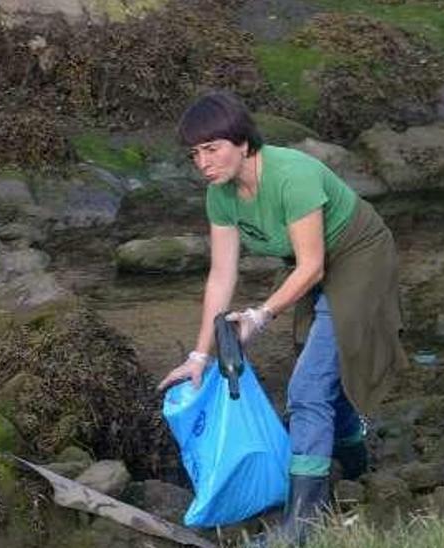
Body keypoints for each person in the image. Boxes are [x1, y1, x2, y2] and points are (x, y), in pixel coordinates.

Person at [156, 91, 409, 543]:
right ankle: (354, 466)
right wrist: (199, 355)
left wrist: (260, 314)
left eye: (212, 149)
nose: (203, 162)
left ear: (244, 142)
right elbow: (220, 276)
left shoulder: (292, 175)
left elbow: (312, 266)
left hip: (359, 255)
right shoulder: (221, 196)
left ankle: (301, 528)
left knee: (307, 387)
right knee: (327, 369)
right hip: (311, 264)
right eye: (195, 153)